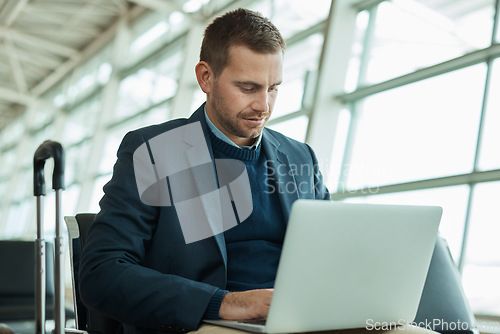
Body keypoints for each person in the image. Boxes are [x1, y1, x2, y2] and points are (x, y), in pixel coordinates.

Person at [79, 8, 436, 334]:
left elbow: (332, 254)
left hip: (303, 319)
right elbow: (101, 274)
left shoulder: (300, 158)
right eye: (247, 88)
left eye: (273, 88)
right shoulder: (155, 151)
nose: (263, 106)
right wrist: (227, 303)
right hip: (207, 321)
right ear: (206, 77)